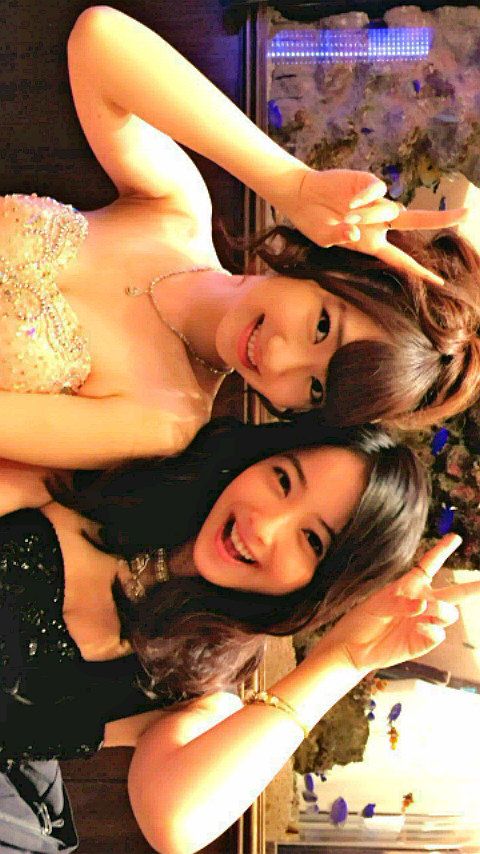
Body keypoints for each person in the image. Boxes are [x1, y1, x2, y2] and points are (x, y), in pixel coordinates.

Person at [0, 5, 477, 472]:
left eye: (315, 389)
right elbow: (99, 39)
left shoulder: (164, 418)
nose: (279, 358)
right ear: (330, 271)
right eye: (322, 327)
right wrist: (290, 185)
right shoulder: (176, 211)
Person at [2, 415, 480, 853]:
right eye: (283, 480)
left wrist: (344, 661)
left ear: (322, 586)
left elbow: (175, 824)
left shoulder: (194, 689)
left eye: (312, 540)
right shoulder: (106, 472)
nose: (265, 526)